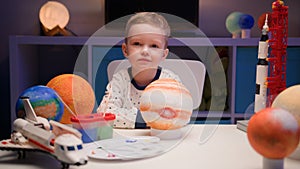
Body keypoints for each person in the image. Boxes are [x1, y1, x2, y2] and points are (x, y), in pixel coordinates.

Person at [97, 12, 181, 129]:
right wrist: (149, 119)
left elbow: (179, 115)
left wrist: (128, 118)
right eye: (137, 43)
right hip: (126, 141)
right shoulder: (120, 80)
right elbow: (104, 114)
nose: (145, 51)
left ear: (163, 54)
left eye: (154, 46)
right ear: (126, 50)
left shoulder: (170, 81)